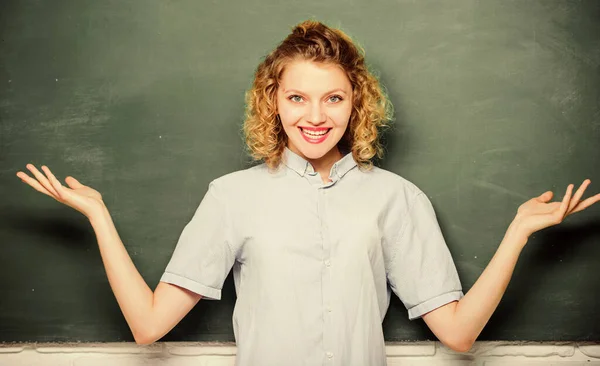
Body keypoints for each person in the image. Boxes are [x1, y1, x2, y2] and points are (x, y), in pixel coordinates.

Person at [16, 20, 600, 366]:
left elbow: (459, 334)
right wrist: (98, 214)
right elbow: (148, 326)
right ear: (274, 102)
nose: (315, 116)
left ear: (357, 104)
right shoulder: (231, 196)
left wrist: (518, 233)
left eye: (334, 98)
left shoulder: (396, 198)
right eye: (297, 97)